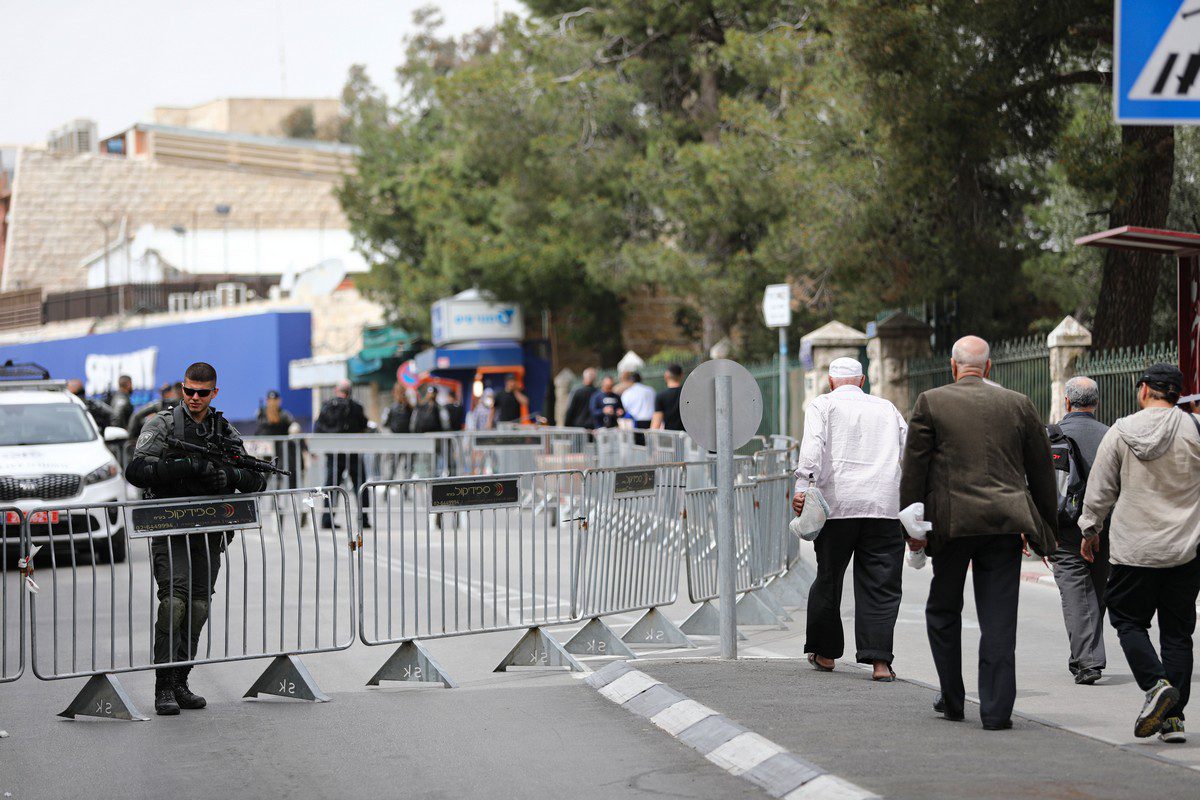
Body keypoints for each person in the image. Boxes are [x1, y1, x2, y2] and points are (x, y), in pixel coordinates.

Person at [900, 335, 1057, 731]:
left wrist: (912, 528)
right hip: (1005, 525)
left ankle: (952, 698)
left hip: (952, 526)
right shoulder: (1019, 404)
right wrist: (1046, 534)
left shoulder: (931, 402)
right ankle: (996, 711)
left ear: (953, 367)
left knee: (942, 611)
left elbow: (913, 469)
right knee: (999, 619)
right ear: (989, 368)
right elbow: (1042, 473)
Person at [125, 362, 268, 715]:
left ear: (214, 393)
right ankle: (163, 687)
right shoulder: (162, 425)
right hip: (170, 527)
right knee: (174, 602)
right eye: (189, 391)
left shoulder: (223, 431)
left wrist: (226, 475)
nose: (194, 398)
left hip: (208, 533)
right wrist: (184, 467)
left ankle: (181, 681)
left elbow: (255, 478)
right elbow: (137, 471)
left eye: (202, 393)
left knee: (199, 606)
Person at [1078, 363, 1200, 743]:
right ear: (1178, 394)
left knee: (1129, 622)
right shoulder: (1195, 430)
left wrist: (1089, 528)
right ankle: (1173, 720)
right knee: (1178, 634)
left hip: (1134, 551)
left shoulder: (1121, 431)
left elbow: (1099, 490)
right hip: (1186, 550)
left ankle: (1155, 684)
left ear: (1144, 389)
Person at [792, 357, 907, 681]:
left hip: (837, 506)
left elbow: (813, 446)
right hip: (883, 505)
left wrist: (802, 485)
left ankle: (825, 654)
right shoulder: (886, 407)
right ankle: (880, 662)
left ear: (830, 382)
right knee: (881, 584)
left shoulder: (823, 405)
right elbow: (909, 449)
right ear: (862, 380)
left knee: (829, 577)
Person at [1047, 376, 1111, 685]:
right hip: (1104, 525)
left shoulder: (1051, 436)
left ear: (1067, 402)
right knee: (1095, 589)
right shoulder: (1110, 436)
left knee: (1074, 589)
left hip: (1063, 525)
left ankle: (1087, 660)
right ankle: (1085, 657)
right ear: (1096, 403)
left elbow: (1035, 485)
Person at [314, 379, 370, 529]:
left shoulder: (328, 406)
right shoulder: (355, 407)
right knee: (358, 485)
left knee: (335, 486)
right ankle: (362, 519)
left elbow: (318, 427)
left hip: (339, 453)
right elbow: (364, 425)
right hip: (348, 452)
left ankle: (328, 519)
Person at [620, 371, 655, 443]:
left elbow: (624, 408)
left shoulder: (627, 392)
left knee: (638, 446)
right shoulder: (650, 390)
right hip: (651, 421)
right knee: (650, 444)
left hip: (636, 422)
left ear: (631, 380)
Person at [651, 364, 685, 431]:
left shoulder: (660, 396)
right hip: (689, 436)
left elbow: (656, 424)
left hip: (671, 436)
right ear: (682, 375)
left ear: (666, 376)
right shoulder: (688, 393)